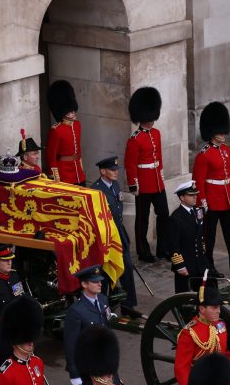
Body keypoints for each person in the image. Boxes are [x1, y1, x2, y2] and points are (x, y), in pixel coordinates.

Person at [64, 265, 144, 385]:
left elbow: (106, 326)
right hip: (88, 368)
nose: (100, 285)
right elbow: (71, 344)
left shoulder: (103, 300)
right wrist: (73, 371)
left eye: (100, 282)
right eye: (94, 282)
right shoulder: (76, 311)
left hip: (106, 364)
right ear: (84, 285)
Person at [192, 101, 230, 278]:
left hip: (226, 199)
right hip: (212, 202)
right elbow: (198, 182)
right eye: (220, 131)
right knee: (209, 238)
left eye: (224, 131)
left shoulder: (226, 151)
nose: (223, 135)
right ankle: (209, 268)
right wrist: (203, 203)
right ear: (211, 132)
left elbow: (228, 176)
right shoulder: (204, 155)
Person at [90, 155, 140, 317]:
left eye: (116, 170)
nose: (116, 172)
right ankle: (103, 307)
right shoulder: (97, 190)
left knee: (126, 269)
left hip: (119, 234)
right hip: (106, 238)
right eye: (112, 170)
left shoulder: (116, 185)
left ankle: (128, 305)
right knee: (104, 273)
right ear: (103, 171)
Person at [124, 86, 169, 263]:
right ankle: (143, 251)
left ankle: (163, 249)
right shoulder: (134, 140)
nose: (150, 121)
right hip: (143, 183)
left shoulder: (156, 134)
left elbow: (159, 157)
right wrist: (133, 185)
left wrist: (162, 176)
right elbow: (130, 164)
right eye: (148, 118)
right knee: (142, 220)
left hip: (157, 182)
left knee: (164, 215)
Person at [169, 181, 209, 294]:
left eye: (195, 194)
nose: (195, 197)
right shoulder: (176, 218)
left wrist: (203, 256)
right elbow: (173, 245)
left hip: (199, 263)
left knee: (202, 295)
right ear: (182, 197)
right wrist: (180, 266)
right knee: (184, 296)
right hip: (186, 264)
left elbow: (200, 236)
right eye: (191, 195)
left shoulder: (198, 211)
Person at [46, 79, 86, 185]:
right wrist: (55, 177)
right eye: (69, 111)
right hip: (64, 174)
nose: (72, 112)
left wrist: (81, 169)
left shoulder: (77, 125)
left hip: (78, 172)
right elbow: (51, 157)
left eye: (72, 110)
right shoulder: (56, 130)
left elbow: (78, 151)